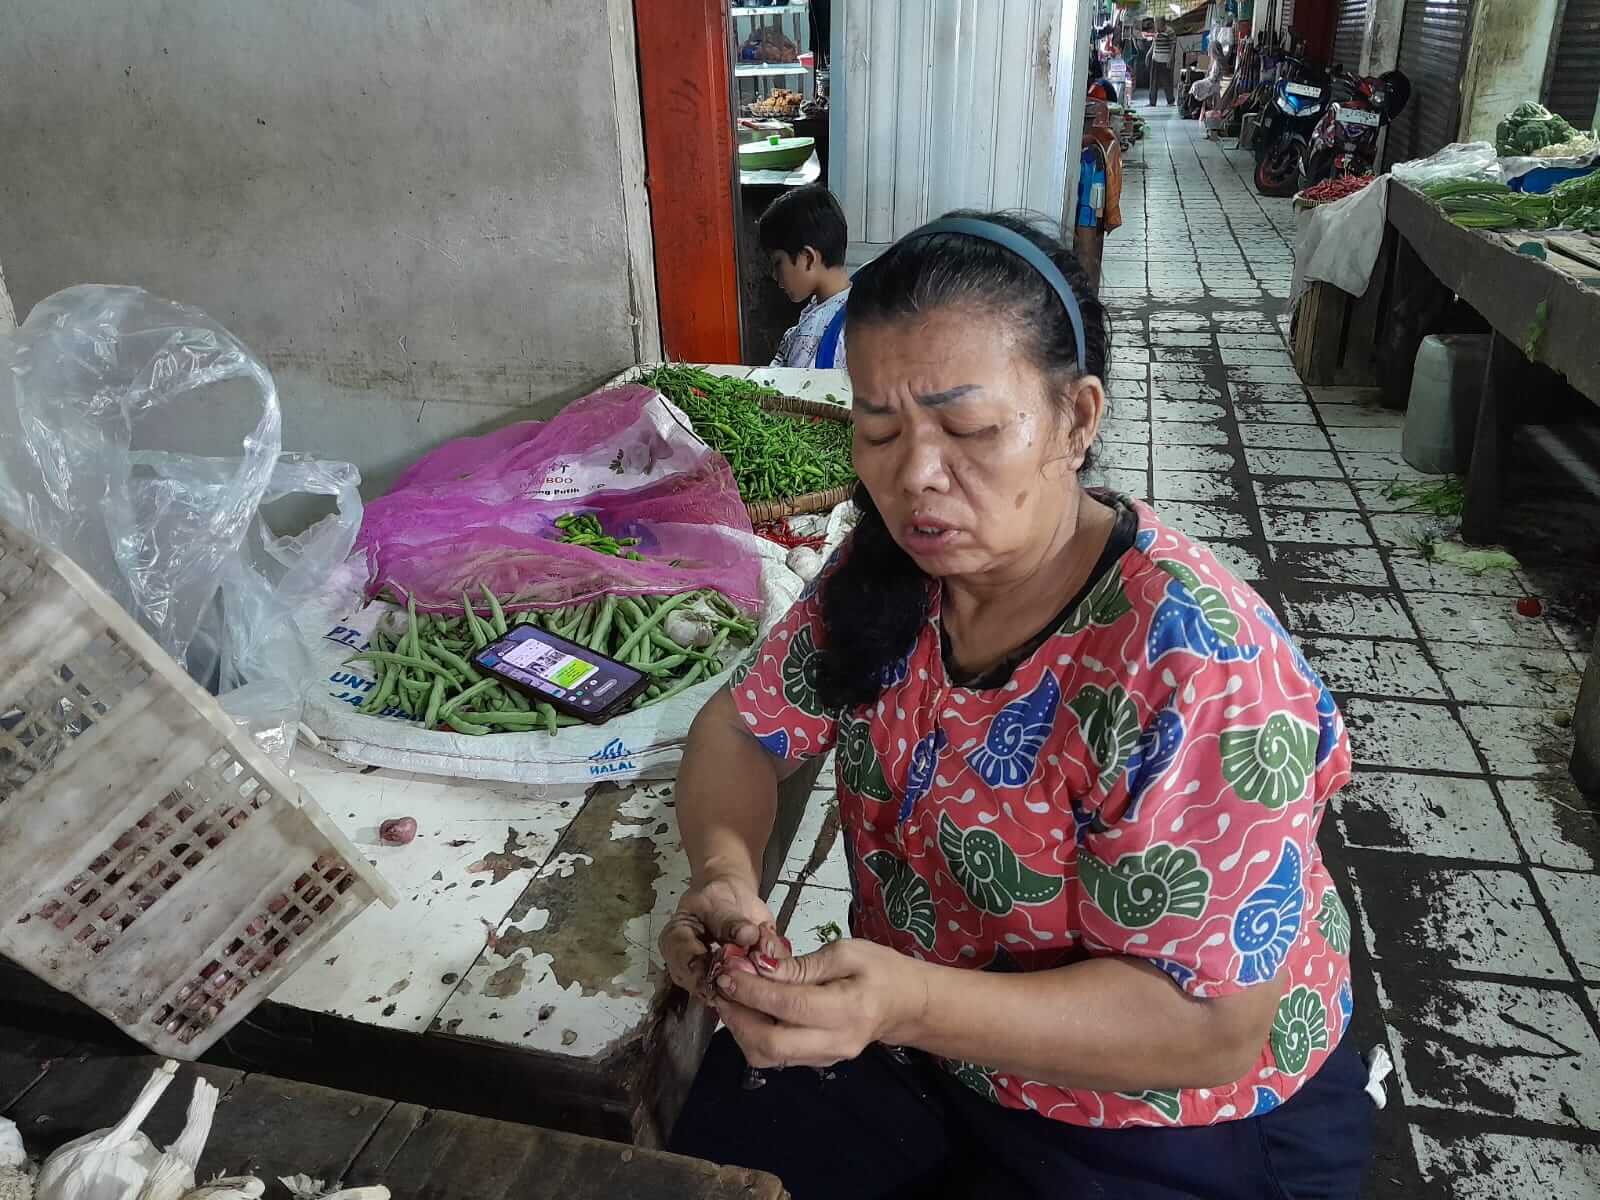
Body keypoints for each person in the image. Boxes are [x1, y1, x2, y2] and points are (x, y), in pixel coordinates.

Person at [662, 212, 1374, 1199]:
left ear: (1076, 420)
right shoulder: (889, 575)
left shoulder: (1191, 663)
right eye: (878, 428)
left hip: (1161, 1117)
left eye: (969, 429)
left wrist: (907, 1004)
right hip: (939, 1054)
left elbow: (1208, 1025)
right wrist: (725, 873)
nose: (913, 476)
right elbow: (744, 726)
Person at [760, 185, 852, 370]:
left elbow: (790, 396)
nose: (774, 275)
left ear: (808, 259)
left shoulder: (815, 333)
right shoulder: (853, 303)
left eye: (778, 263)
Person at [1148, 17, 1177, 106]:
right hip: (1155, 59)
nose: (1155, 24)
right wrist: (1148, 54)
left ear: (1162, 23)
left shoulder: (1170, 31)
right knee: (1153, 82)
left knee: (1167, 81)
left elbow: (1173, 45)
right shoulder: (1156, 31)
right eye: (1155, 22)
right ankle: (1152, 102)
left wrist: (1171, 59)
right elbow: (1154, 43)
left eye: (1156, 22)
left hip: (1165, 59)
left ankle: (1170, 101)